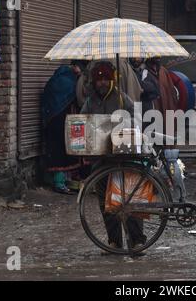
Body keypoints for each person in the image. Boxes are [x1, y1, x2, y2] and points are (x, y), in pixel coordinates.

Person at [80, 61, 146, 250]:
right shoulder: (90, 101)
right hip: (101, 159)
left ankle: (137, 241)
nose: (102, 83)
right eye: (98, 79)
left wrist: (124, 122)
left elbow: (137, 119)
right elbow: (83, 122)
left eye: (105, 79)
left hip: (124, 156)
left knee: (130, 199)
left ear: (112, 80)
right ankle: (114, 241)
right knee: (106, 202)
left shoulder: (122, 98)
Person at [41, 60, 88, 194]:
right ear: (74, 66)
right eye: (80, 68)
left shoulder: (69, 79)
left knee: (67, 151)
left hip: (64, 121)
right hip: (57, 121)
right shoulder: (64, 80)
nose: (80, 71)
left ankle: (65, 180)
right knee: (59, 152)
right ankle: (58, 182)